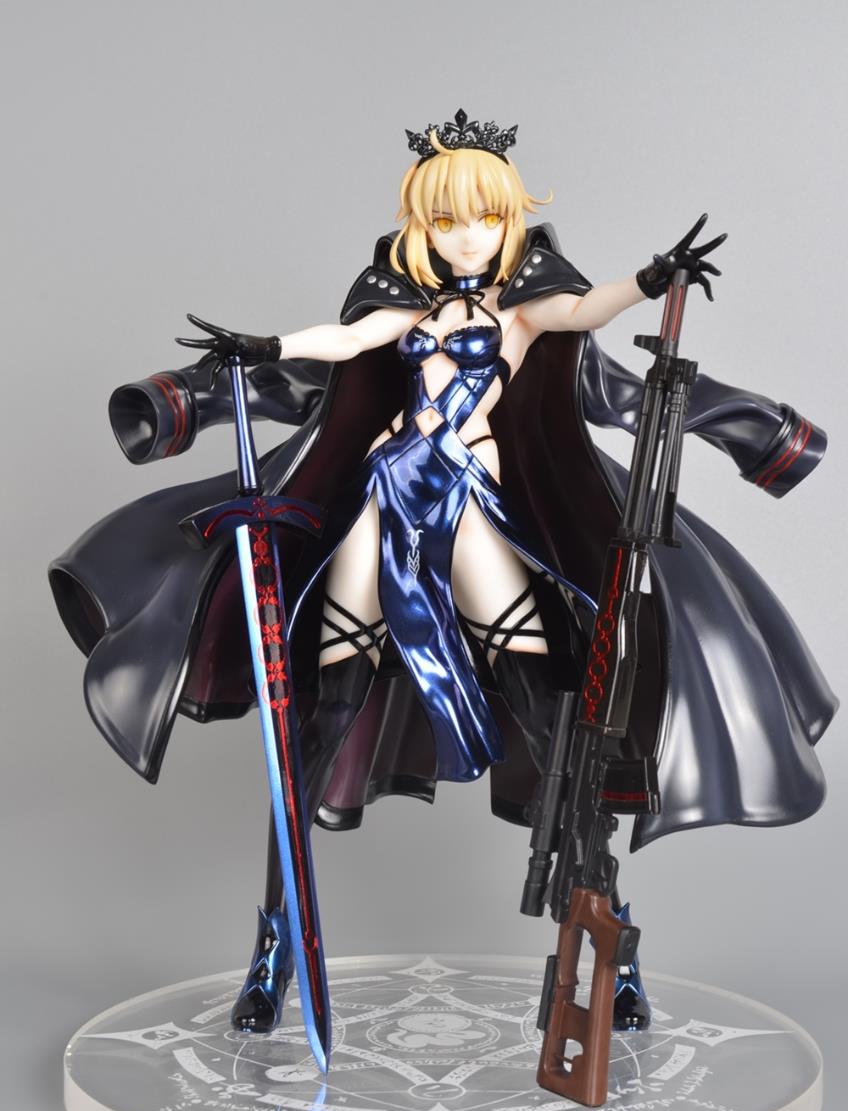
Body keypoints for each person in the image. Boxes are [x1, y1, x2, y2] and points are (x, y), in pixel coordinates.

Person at [50, 110, 836, 1044]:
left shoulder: (524, 308)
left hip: (467, 504)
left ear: (511, 219)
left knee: (552, 724)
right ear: (421, 225)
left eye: (486, 219)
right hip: (386, 496)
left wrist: (651, 278)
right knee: (314, 722)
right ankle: (275, 946)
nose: (468, 237)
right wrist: (267, 348)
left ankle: (610, 943)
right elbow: (342, 345)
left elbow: (588, 312)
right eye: (448, 220)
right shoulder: (405, 308)